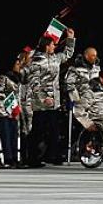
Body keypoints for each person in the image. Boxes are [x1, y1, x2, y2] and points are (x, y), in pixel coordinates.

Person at [24, 28, 75, 167]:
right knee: (38, 131)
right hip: (40, 103)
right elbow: (33, 82)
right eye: (52, 44)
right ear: (46, 45)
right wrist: (43, 98)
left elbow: (67, 54)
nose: (55, 46)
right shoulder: (36, 61)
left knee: (54, 130)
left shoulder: (55, 58)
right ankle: (32, 158)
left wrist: (70, 38)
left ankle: (53, 156)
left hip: (54, 101)